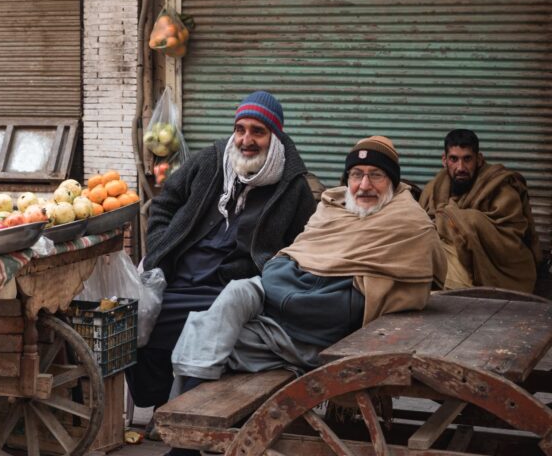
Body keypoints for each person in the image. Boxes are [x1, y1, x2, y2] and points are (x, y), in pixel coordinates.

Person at [170, 136, 445, 392]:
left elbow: (354, 301)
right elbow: (293, 255)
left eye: (376, 175)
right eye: (356, 174)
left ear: (393, 182)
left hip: (314, 329)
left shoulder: (409, 223)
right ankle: (179, 423)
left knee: (207, 334)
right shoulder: (333, 207)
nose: (364, 185)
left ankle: (180, 427)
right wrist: (284, 281)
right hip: (282, 302)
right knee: (235, 293)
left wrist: (291, 289)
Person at [126, 90, 317, 413]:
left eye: (258, 131)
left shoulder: (292, 186)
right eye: (241, 129)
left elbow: (305, 246)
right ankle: (159, 402)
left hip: (230, 287)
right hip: (180, 275)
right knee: (130, 321)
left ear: (276, 136)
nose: (246, 140)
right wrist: (161, 248)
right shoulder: (212, 161)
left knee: (206, 330)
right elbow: (163, 204)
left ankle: (186, 418)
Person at [419, 129, 541, 293]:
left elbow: (509, 239)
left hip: (498, 267)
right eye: (454, 159)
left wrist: (462, 222)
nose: (460, 167)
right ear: (444, 160)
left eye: (467, 159)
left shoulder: (499, 188)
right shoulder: (434, 188)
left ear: (478, 159)